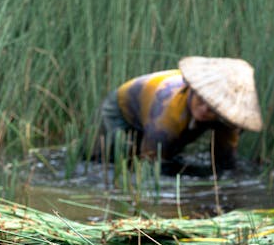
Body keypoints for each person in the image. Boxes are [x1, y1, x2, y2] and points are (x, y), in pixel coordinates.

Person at [98, 56, 263, 175]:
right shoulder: (168, 115)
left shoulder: (226, 118)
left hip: (157, 112)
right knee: (120, 158)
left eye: (213, 108)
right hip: (122, 109)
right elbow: (150, 167)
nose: (204, 109)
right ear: (192, 89)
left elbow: (225, 161)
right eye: (201, 99)